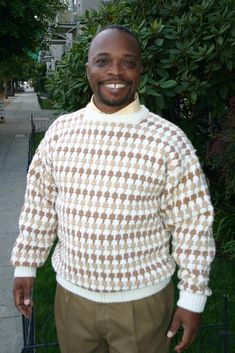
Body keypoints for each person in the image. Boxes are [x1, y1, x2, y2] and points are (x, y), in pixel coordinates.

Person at [11, 24, 215, 353]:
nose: (115, 71)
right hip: (73, 299)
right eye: (103, 61)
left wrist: (192, 296)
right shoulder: (61, 133)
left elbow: (193, 223)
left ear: (140, 70)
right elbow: (39, 206)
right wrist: (26, 266)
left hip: (142, 304)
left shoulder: (168, 140)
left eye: (128, 62)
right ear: (88, 68)